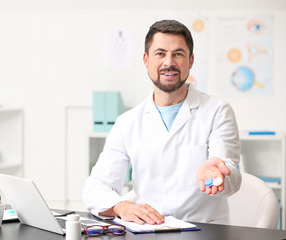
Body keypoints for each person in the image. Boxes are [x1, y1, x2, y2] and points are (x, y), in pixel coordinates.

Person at [83, 19, 241, 225]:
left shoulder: (217, 111)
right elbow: (96, 187)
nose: (169, 62)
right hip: (149, 230)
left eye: (178, 54)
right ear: (146, 60)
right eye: (160, 54)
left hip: (203, 229)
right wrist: (122, 207)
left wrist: (219, 175)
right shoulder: (127, 122)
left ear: (190, 61)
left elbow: (233, 177)